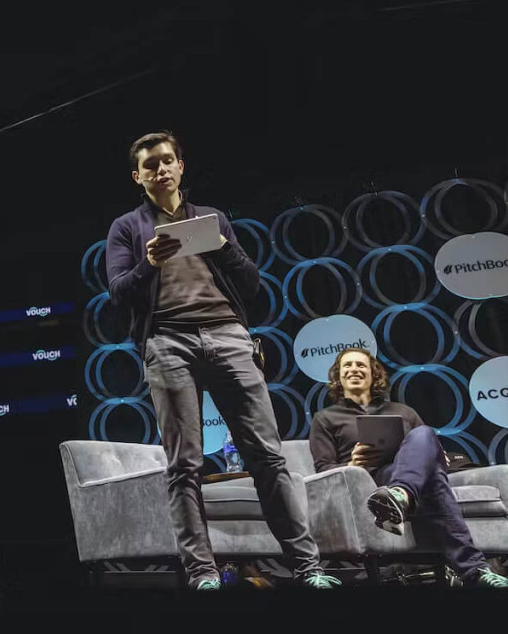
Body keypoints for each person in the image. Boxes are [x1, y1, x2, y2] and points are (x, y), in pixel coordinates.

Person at [104, 131, 338, 589]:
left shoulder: (211, 218)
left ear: (180, 166)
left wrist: (222, 245)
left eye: (167, 160)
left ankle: (309, 568)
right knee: (184, 465)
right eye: (150, 165)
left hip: (229, 334)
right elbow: (118, 293)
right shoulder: (127, 227)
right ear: (138, 177)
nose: (160, 169)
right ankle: (203, 574)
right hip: (167, 342)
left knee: (267, 457)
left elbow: (251, 284)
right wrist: (149, 263)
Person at [309, 347, 508, 588]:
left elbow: (431, 448)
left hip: (404, 474)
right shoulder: (325, 418)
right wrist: (352, 464)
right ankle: (475, 570)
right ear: (338, 376)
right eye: (347, 365)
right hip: (369, 479)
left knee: (424, 435)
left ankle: (401, 494)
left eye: (361, 365)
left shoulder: (403, 411)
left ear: (373, 374)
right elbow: (323, 469)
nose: (354, 369)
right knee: (433, 478)